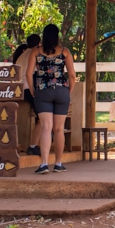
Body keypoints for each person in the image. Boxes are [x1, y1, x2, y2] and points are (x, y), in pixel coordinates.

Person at [25, 24, 76, 174]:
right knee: (59, 129)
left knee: (46, 127)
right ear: (57, 36)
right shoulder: (65, 52)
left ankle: (44, 164)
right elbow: (72, 75)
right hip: (61, 91)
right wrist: (68, 91)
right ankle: (59, 164)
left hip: (43, 91)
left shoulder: (36, 52)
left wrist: (34, 91)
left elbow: (29, 74)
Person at [12, 34, 42, 155]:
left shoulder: (21, 55)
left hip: (18, 89)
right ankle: (33, 145)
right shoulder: (34, 54)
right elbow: (33, 75)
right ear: (39, 44)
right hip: (27, 89)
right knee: (44, 116)